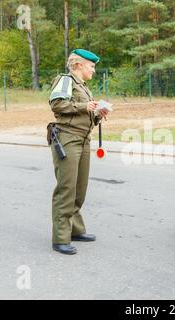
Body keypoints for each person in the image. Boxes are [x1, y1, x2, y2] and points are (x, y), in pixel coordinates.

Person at [48, 49, 109, 255]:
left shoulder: (83, 87)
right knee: (67, 188)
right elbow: (57, 104)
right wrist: (85, 106)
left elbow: (84, 111)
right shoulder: (65, 80)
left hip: (83, 140)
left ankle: (75, 230)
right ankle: (60, 238)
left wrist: (98, 113)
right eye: (91, 66)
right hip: (68, 138)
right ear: (77, 65)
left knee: (80, 189)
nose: (94, 69)